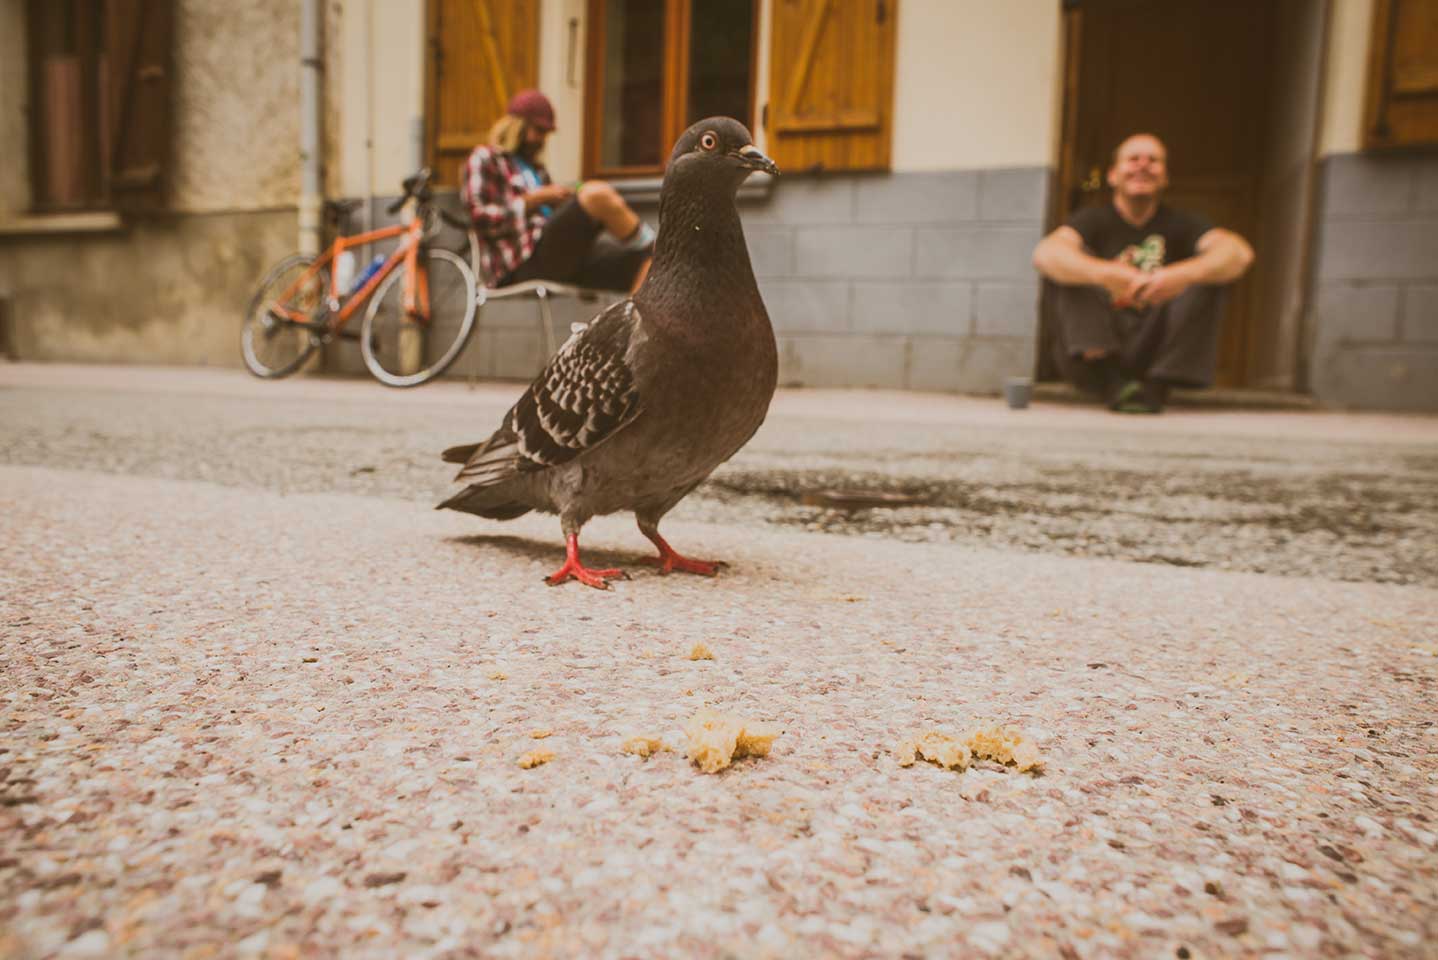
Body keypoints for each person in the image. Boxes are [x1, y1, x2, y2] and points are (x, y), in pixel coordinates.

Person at [1032, 133, 1254, 413]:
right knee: (1069, 267)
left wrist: (1179, 275)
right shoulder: (1091, 220)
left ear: (1165, 178)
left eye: (1153, 160)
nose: (1143, 166)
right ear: (1113, 175)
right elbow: (1045, 254)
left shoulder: (1183, 223)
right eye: (1133, 159)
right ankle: (1111, 381)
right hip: (1095, 351)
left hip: (1153, 347)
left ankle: (1156, 386)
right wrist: (1107, 274)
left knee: (1210, 273)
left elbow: (1238, 254)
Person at [461, 89, 656, 293]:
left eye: (546, 134)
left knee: (643, 262)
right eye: (538, 131)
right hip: (520, 263)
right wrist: (535, 199)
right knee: (596, 194)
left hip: (556, 258)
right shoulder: (485, 158)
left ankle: (636, 318)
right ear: (517, 126)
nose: (542, 140)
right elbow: (479, 218)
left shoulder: (537, 170)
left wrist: (563, 203)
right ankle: (652, 243)